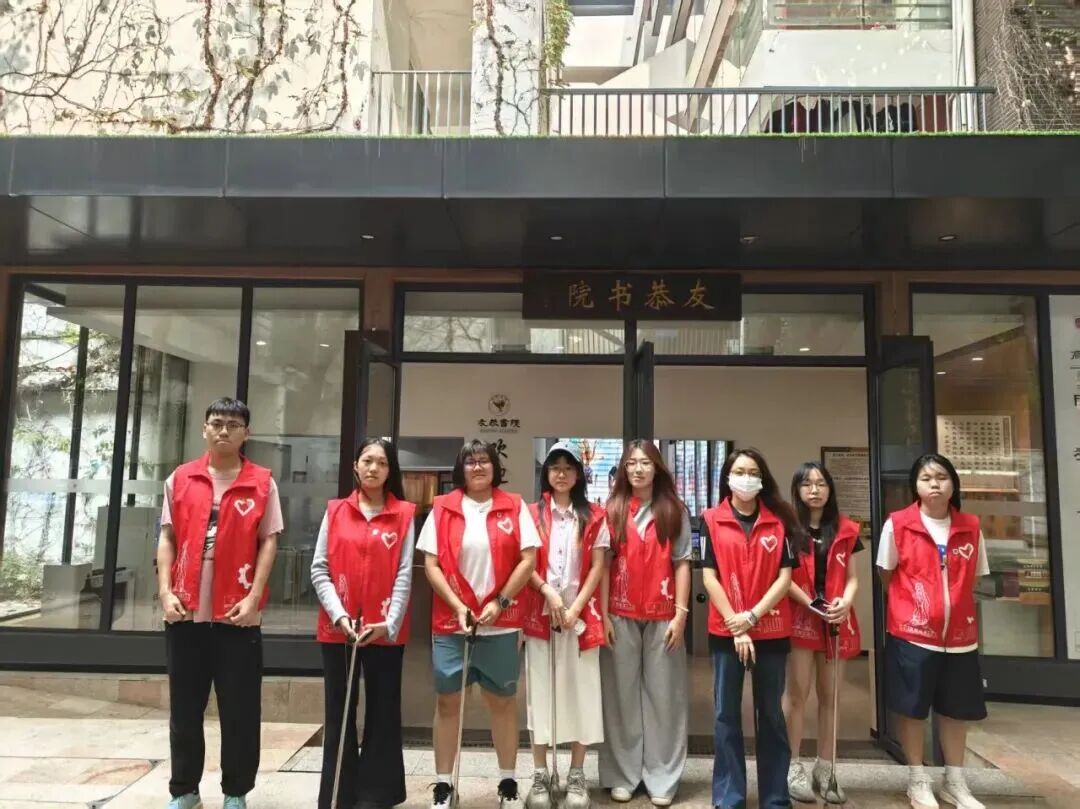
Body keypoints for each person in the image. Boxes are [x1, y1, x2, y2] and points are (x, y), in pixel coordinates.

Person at [156, 397, 282, 809]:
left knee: (240, 711)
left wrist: (254, 597)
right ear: (204, 429)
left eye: (232, 424)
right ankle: (185, 790)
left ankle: (235, 792)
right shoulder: (181, 478)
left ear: (247, 433)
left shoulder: (262, 482)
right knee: (184, 710)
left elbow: (268, 542)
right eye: (216, 423)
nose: (223, 430)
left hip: (237, 616)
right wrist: (165, 592)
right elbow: (167, 538)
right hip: (186, 613)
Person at [418, 439, 540, 809]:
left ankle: (507, 782)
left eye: (484, 460)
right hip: (451, 622)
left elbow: (528, 559)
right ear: (461, 469)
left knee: (502, 702)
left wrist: (501, 601)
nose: (477, 467)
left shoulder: (514, 505)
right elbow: (431, 564)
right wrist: (457, 606)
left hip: (501, 624)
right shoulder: (443, 507)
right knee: (447, 702)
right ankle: (444, 785)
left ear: (495, 467)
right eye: (470, 461)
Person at [877, 454, 990, 809]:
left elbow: (974, 576)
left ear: (953, 483)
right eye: (926, 478)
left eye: (941, 477)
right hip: (912, 633)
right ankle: (917, 778)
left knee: (956, 709)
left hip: (959, 638)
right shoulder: (898, 524)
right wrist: (914, 608)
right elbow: (886, 573)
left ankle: (954, 781)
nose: (935, 484)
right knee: (912, 708)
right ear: (915, 486)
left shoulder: (971, 526)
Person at [311, 438, 416, 809]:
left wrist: (389, 622)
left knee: (383, 711)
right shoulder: (336, 511)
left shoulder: (404, 514)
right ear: (355, 466)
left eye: (382, 463)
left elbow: (405, 573)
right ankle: (338, 794)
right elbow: (319, 568)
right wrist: (339, 615)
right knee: (339, 712)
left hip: (384, 630)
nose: (373, 468)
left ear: (390, 471)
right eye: (367, 461)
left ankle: (377, 795)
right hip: (338, 630)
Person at [700, 448, 798, 809]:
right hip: (726, 630)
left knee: (770, 713)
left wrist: (752, 618)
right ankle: (730, 796)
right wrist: (736, 626)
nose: (746, 478)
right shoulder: (711, 519)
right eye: (739, 471)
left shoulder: (780, 520)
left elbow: (785, 578)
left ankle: (775, 797)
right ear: (727, 477)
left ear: (763, 479)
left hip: (770, 629)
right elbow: (709, 577)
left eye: (753, 472)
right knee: (726, 714)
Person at [599, 439, 691, 807]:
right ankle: (623, 774)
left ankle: (662, 777)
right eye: (631, 463)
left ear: (657, 468)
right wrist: (603, 614)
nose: (638, 469)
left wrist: (681, 615)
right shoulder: (612, 509)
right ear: (623, 469)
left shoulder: (674, 510)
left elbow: (682, 563)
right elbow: (603, 565)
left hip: (663, 615)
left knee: (665, 698)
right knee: (619, 697)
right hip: (619, 614)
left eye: (645, 463)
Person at [523, 441, 609, 809]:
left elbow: (598, 566)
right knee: (540, 694)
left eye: (568, 467)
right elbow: (525, 564)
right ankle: (541, 773)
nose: (561, 473)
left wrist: (575, 607)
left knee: (583, 693)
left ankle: (576, 773)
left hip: (580, 618)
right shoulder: (531, 514)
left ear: (578, 474)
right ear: (546, 473)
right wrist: (549, 594)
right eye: (555, 467)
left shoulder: (595, 516)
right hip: (541, 615)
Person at [782, 462, 863, 805]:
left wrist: (846, 600)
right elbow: (782, 577)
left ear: (830, 489)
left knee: (831, 697)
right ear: (797, 490)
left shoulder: (846, 529)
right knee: (797, 695)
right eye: (807, 484)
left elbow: (853, 577)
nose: (814, 490)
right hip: (801, 618)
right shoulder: (787, 528)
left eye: (821, 484)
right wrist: (811, 602)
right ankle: (792, 766)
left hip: (836, 620)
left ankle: (826, 768)